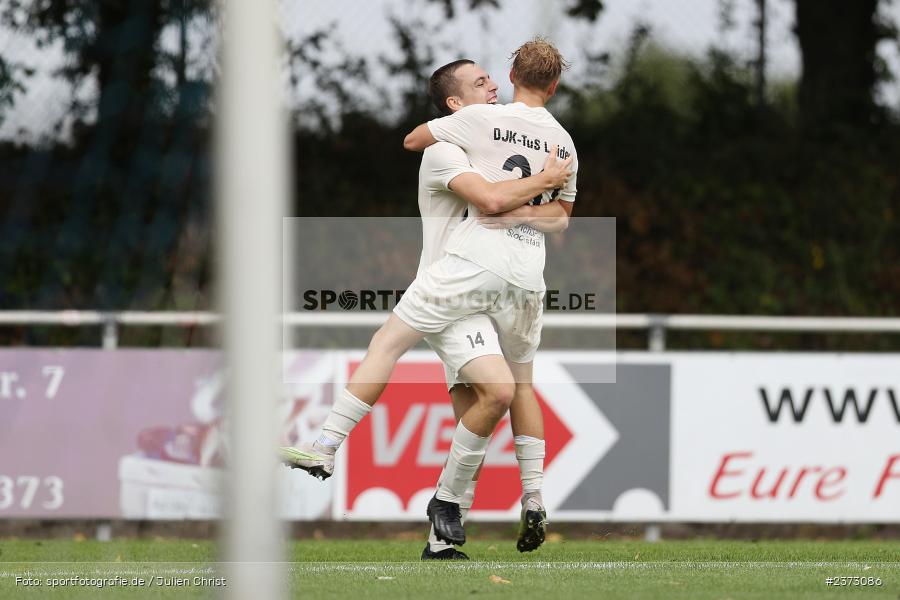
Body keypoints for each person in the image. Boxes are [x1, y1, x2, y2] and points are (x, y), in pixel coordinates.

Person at [282, 38, 576, 551]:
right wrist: (543, 183)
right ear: (455, 106)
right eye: (478, 82)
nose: (489, 86)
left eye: (493, 79)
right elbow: (488, 196)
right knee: (484, 384)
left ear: (512, 77)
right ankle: (331, 448)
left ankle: (443, 531)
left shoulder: (487, 131)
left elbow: (517, 200)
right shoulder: (450, 148)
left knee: (486, 399)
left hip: (480, 290)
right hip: (454, 280)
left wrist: (524, 199)